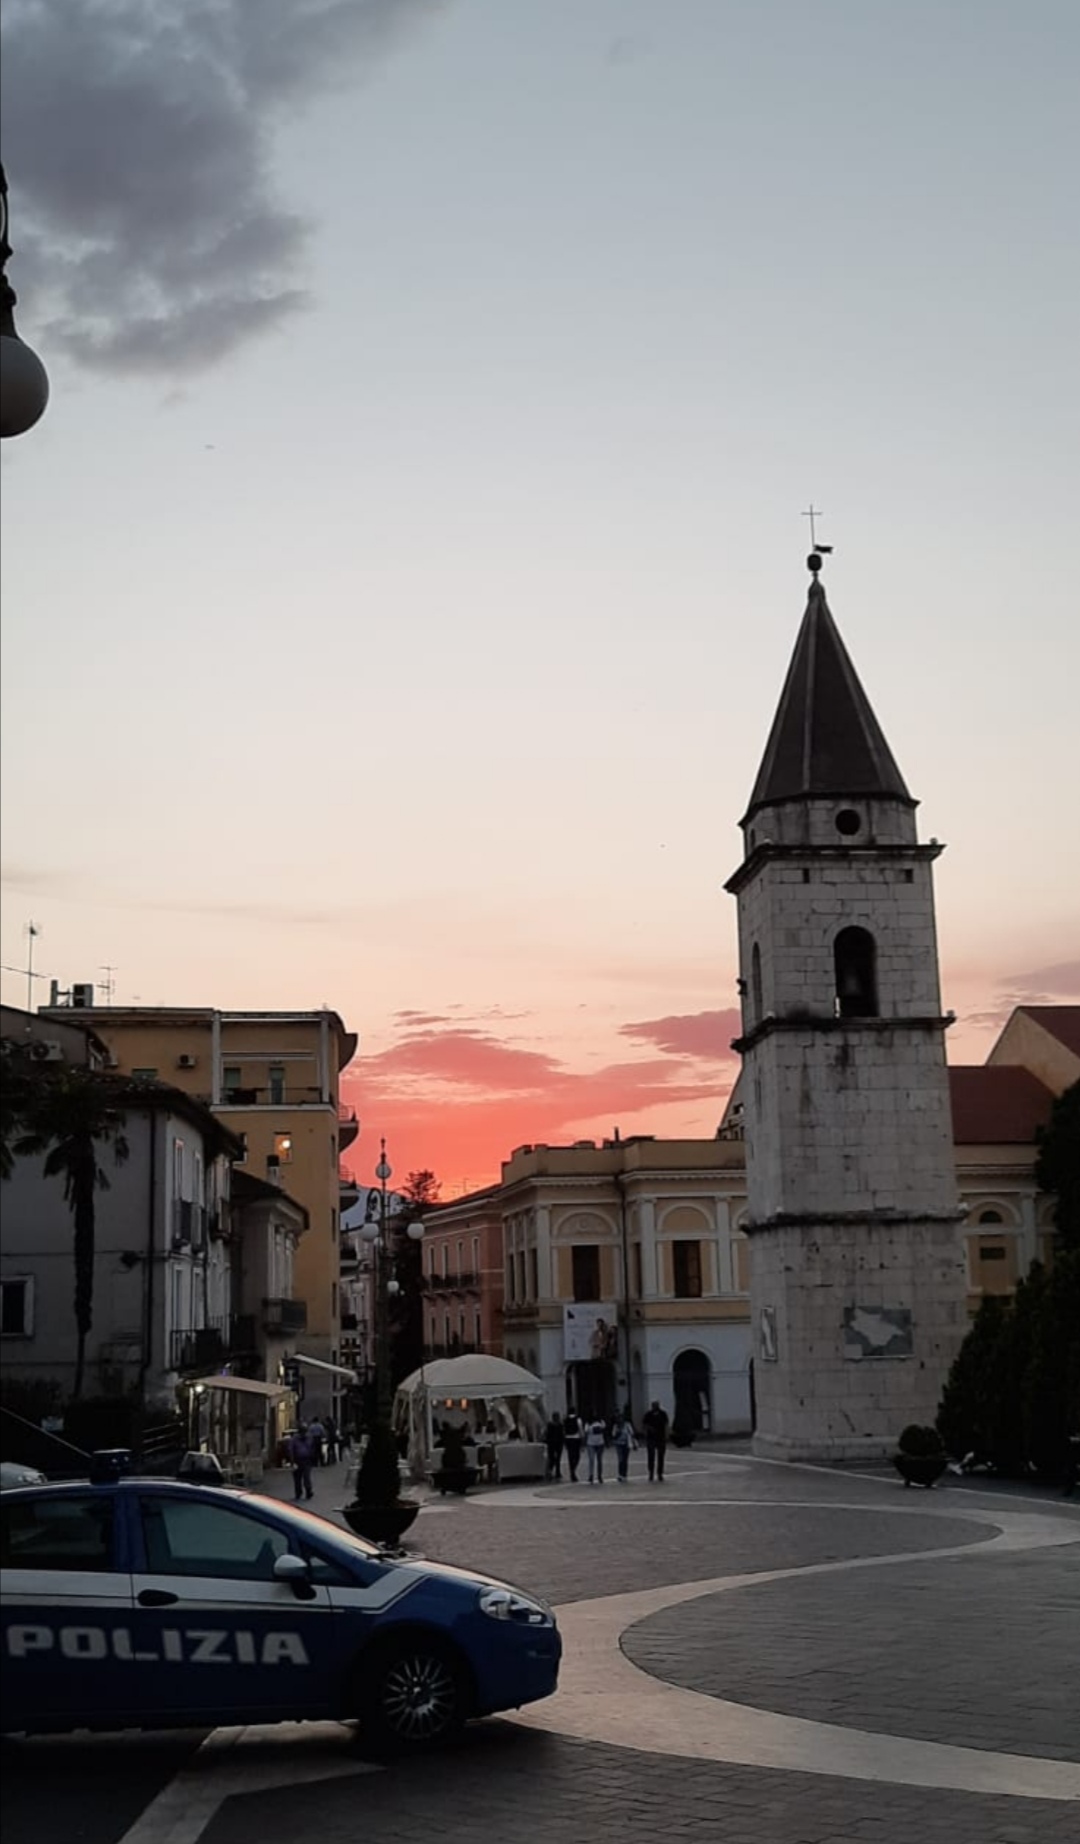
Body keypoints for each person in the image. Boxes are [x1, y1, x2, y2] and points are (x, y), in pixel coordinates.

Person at [286, 1423, 316, 1501]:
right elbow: (291, 1450)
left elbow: (312, 1447)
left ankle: (308, 1491)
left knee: (307, 1477)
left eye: (305, 1431)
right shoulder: (294, 1439)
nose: (304, 1433)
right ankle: (298, 1493)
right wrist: (292, 1461)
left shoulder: (309, 1438)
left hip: (306, 1459)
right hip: (297, 1460)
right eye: (303, 1432)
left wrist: (312, 1456)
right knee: (297, 1478)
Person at [643, 1400, 669, 1483]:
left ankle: (660, 1473)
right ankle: (651, 1473)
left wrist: (666, 1435)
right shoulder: (648, 1414)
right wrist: (649, 1429)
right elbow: (644, 1424)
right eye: (653, 1405)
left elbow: (666, 1424)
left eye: (656, 1405)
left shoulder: (663, 1414)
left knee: (661, 1456)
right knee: (651, 1456)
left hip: (661, 1438)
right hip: (651, 1438)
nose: (655, 1407)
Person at [612, 1411, 636, 1483]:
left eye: (621, 1418)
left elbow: (632, 1433)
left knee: (625, 1459)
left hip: (626, 1444)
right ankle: (620, 1474)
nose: (620, 1420)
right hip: (618, 1444)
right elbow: (613, 1435)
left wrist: (634, 1443)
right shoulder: (615, 1426)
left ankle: (624, 1474)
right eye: (618, 1418)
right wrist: (617, 1432)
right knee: (620, 1459)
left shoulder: (627, 1425)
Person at [585, 1414, 607, 1485]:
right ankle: (595, 1475)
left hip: (594, 1443)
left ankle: (595, 1475)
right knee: (597, 1460)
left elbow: (586, 1431)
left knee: (594, 1460)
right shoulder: (600, 1424)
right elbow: (604, 1427)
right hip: (596, 1443)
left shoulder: (589, 1425)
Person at [563, 1407, 583, 1482]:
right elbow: (580, 1429)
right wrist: (582, 1438)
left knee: (570, 1457)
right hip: (576, 1438)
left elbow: (564, 1430)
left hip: (568, 1439)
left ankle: (572, 1471)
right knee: (577, 1456)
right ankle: (573, 1470)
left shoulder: (565, 1420)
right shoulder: (578, 1419)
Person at [544, 1412, 565, 1482]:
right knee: (557, 1459)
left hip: (551, 1444)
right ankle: (557, 1472)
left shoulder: (549, 1425)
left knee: (552, 1458)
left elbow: (547, 1434)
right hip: (558, 1444)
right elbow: (562, 1434)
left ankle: (550, 1471)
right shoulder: (560, 1425)